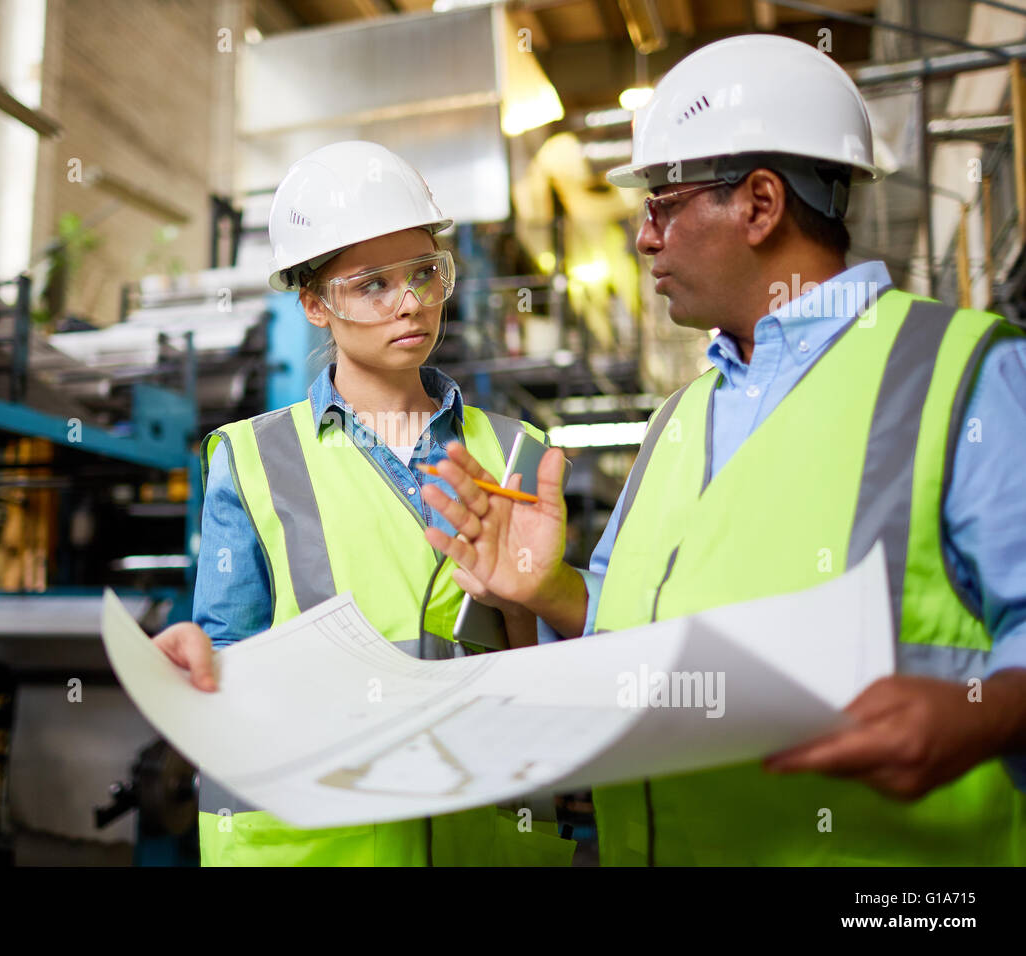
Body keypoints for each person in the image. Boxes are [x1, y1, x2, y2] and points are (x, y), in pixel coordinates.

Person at [422, 34, 1026, 865]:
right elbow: (651, 643)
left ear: (760, 204)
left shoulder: (960, 376)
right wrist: (550, 590)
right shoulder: (681, 417)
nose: (643, 238)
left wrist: (979, 716)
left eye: (663, 204)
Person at [150, 140, 575, 866]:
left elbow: (559, 667)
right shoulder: (252, 459)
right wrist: (189, 671)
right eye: (372, 285)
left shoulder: (520, 453)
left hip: (478, 837)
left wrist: (522, 603)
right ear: (315, 304)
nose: (410, 302)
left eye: (423, 274)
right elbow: (225, 663)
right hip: (320, 845)